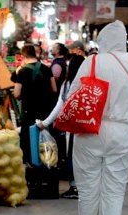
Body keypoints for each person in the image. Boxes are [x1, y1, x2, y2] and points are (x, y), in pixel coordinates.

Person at [65, 20, 128, 215]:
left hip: (89, 130)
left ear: (102, 41)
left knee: (88, 192)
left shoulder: (91, 62)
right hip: (122, 133)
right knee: (114, 192)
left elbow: (72, 97)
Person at [36, 47, 85, 199]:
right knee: (83, 157)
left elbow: (60, 106)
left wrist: (45, 123)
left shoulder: (68, 84)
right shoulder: (86, 84)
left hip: (72, 127)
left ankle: (75, 187)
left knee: (71, 156)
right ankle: (81, 186)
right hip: (87, 126)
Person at [12, 44, 57, 164]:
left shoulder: (23, 71)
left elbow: (16, 94)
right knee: (45, 140)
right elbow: (54, 89)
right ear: (35, 54)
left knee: (28, 140)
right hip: (45, 111)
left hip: (29, 111)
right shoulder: (47, 69)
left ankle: (31, 168)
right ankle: (47, 164)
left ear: (23, 56)